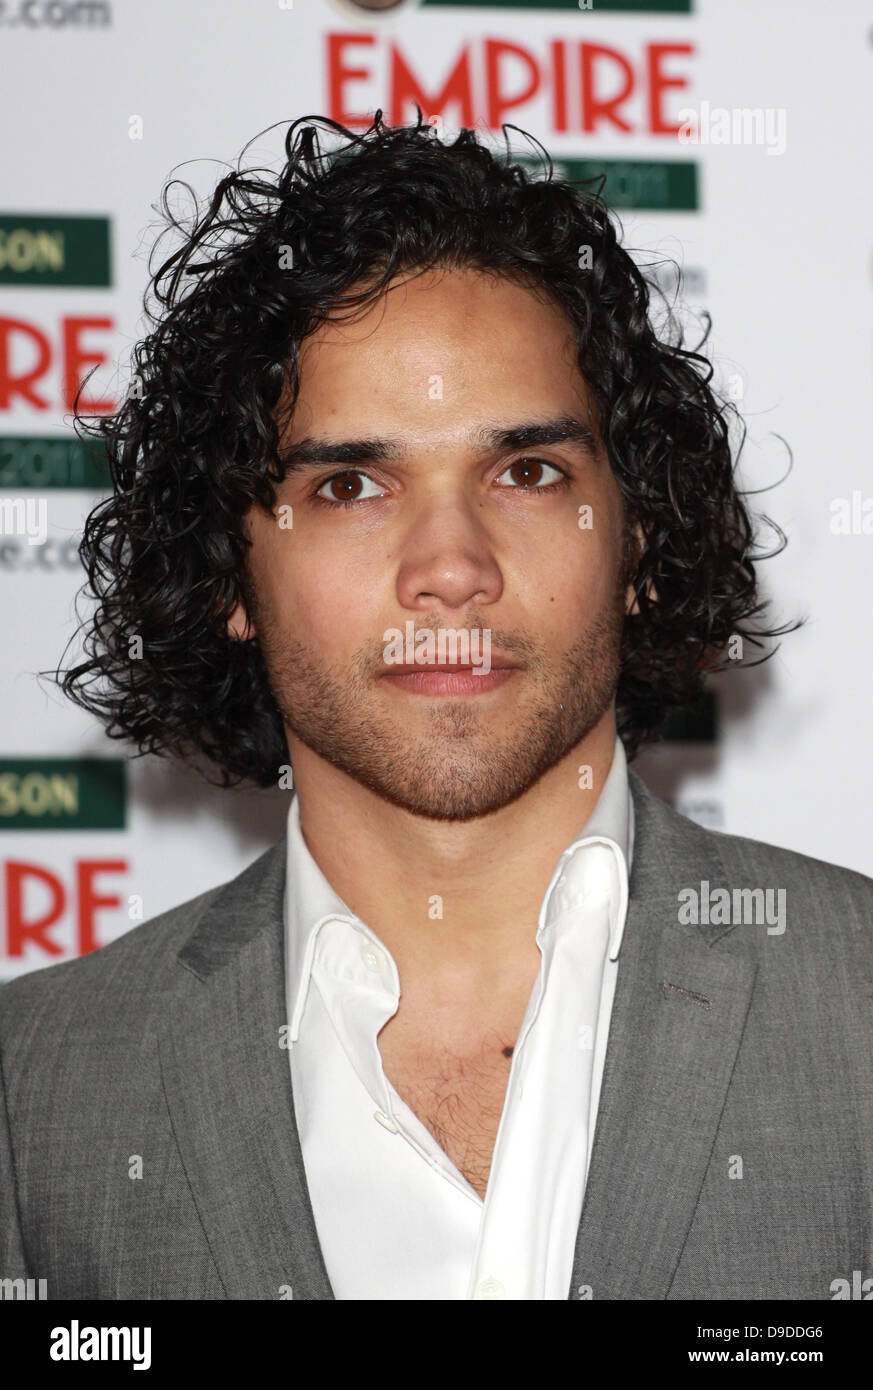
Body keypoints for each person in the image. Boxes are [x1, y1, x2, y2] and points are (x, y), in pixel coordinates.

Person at [1, 112, 871, 1302]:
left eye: (528, 473)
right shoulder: (36, 1091)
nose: (451, 568)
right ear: (231, 574)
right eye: (351, 485)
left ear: (635, 543)